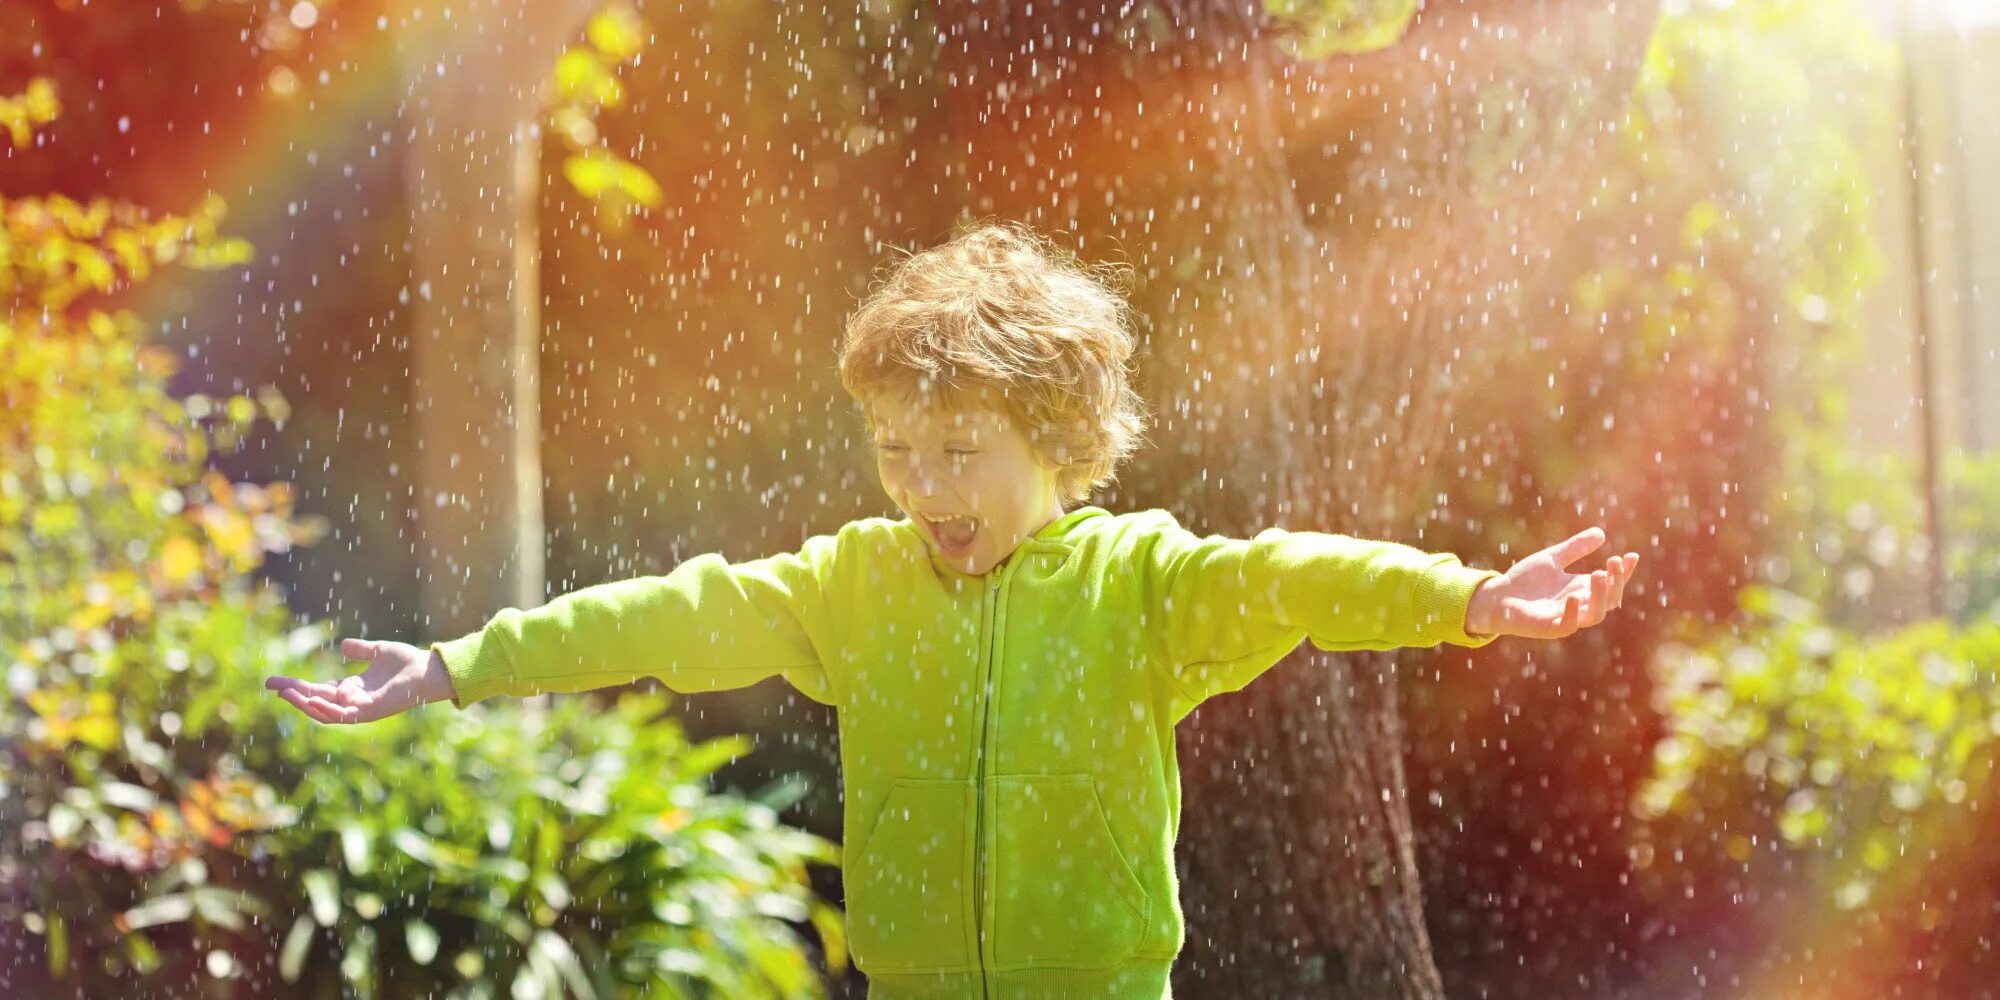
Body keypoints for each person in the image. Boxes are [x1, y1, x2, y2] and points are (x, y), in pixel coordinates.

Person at [266, 220, 1638, 999]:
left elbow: (1297, 576)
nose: (923, 483)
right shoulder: (854, 588)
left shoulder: (1142, 588)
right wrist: (455, 664)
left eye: (960, 449)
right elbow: (665, 618)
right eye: (896, 448)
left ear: (1059, 439)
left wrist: (1468, 600)